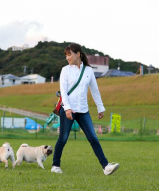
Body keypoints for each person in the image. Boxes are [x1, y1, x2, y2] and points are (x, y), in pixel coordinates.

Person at [51, 43, 119, 175]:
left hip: (83, 110)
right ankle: (55, 166)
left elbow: (95, 90)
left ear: (78, 54)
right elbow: (63, 91)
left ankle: (106, 167)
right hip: (68, 109)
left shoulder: (88, 70)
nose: (67, 58)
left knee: (93, 138)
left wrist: (100, 108)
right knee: (63, 138)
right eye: (66, 55)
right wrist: (68, 109)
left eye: (69, 54)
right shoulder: (65, 70)